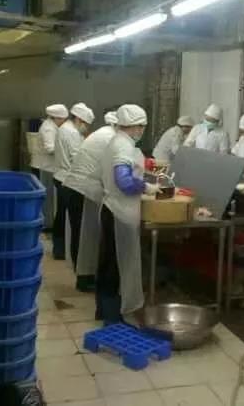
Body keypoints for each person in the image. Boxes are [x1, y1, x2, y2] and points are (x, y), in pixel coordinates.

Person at [97, 104, 159, 324]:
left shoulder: (117, 141)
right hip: (120, 213)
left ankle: (104, 310)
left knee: (108, 263)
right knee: (117, 266)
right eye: (141, 126)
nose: (142, 130)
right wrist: (146, 187)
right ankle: (113, 317)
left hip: (111, 208)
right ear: (134, 126)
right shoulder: (123, 145)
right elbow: (123, 182)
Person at [62, 111, 117, 292]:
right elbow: (116, 166)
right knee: (83, 235)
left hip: (76, 187)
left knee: (81, 234)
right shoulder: (110, 138)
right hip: (80, 189)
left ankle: (84, 275)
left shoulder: (103, 133)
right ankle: (84, 279)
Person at [52, 103, 95, 261]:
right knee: (70, 220)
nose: (86, 127)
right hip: (67, 179)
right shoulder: (71, 132)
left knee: (61, 216)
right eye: (85, 124)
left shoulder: (66, 129)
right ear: (78, 119)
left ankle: (59, 249)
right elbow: (78, 158)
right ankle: (66, 252)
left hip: (61, 176)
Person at [30, 104, 68, 178]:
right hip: (42, 168)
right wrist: (65, 150)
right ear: (56, 118)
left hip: (47, 167)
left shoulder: (53, 126)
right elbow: (50, 149)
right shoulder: (48, 129)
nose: (63, 122)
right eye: (63, 119)